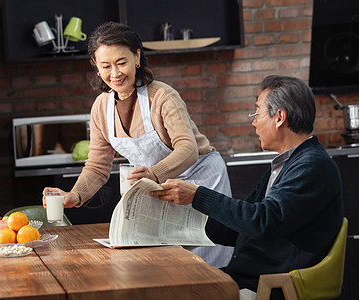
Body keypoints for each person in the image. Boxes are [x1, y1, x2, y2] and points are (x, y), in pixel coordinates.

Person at [42, 21, 233, 267]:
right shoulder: (101, 108)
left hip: (200, 180)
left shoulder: (163, 97)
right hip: (158, 188)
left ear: (137, 57)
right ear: (96, 68)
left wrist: (153, 173)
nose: (115, 73)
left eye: (121, 62)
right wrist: (75, 195)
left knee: (205, 265)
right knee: (167, 264)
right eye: (106, 66)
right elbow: (98, 166)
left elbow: (188, 149)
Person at [151, 75, 344, 298]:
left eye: (257, 112)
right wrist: (172, 229)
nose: (253, 121)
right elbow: (241, 227)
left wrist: (197, 196)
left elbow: (262, 222)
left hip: (272, 286)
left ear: (279, 117)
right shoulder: (288, 163)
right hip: (248, 278)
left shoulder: (313, 166)